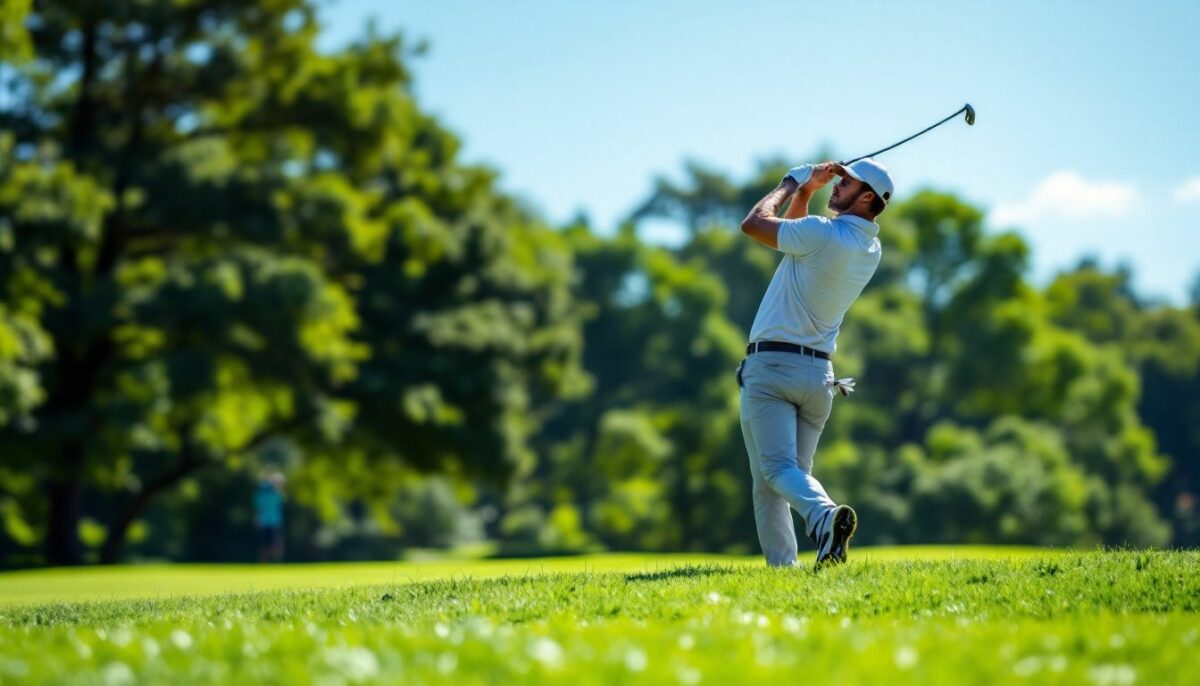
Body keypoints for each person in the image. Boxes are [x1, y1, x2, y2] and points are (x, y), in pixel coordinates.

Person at [737, 158, 894, 567]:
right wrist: (808, 193)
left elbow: (753, 223)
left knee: (776, 472)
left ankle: (825, 515)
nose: (837, 185)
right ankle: (785, 568)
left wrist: (791, 181)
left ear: (866, 199)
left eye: (847, 182)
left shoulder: (822, 234)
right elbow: (797, 240)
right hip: (819, 379)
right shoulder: (869, 248)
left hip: (773, 370)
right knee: (782, 480)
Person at [252, 470, 286, 563]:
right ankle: (271, 562)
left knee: (269, 544)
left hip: (270, 522)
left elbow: (257, 509)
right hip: (269, 522)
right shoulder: (274, 494)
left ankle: (270, 562)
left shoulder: (261, 494)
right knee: (269, 544)